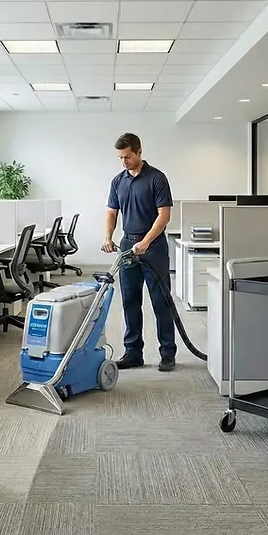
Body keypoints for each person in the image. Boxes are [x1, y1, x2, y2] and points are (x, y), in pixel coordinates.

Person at [101, 132, 177, 372]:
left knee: (160, 301)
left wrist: (145, 241)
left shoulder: (157, 178)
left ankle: (167, 353)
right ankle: (133, 353)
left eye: (127, 157)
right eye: (120, 158)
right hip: (127, 247)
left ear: (139, 151)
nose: (124, 162)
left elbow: (164, 215)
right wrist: (107, 237)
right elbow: (112, 212)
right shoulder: (117, 181)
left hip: (153, 247)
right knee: (130, 301)